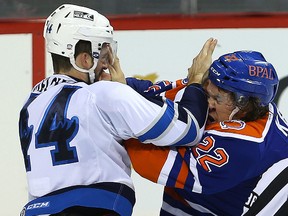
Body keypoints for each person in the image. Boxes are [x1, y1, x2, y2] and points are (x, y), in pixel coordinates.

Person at [18, 4, 215, 216]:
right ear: (85, 59)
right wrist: (195, 81)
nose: (107, 64)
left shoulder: (30, 106)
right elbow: (188, 129)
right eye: (102, 55)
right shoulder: (103, 94)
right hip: (91, 209)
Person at [124, 49, 288, 215]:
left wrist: (118, 118)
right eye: (207, 93)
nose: (208, 104)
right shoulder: (239, 101)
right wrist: (117, 85)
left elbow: (153, 164)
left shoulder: (246, 144)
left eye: (217, 99)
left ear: (244, 105)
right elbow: (155, 94)